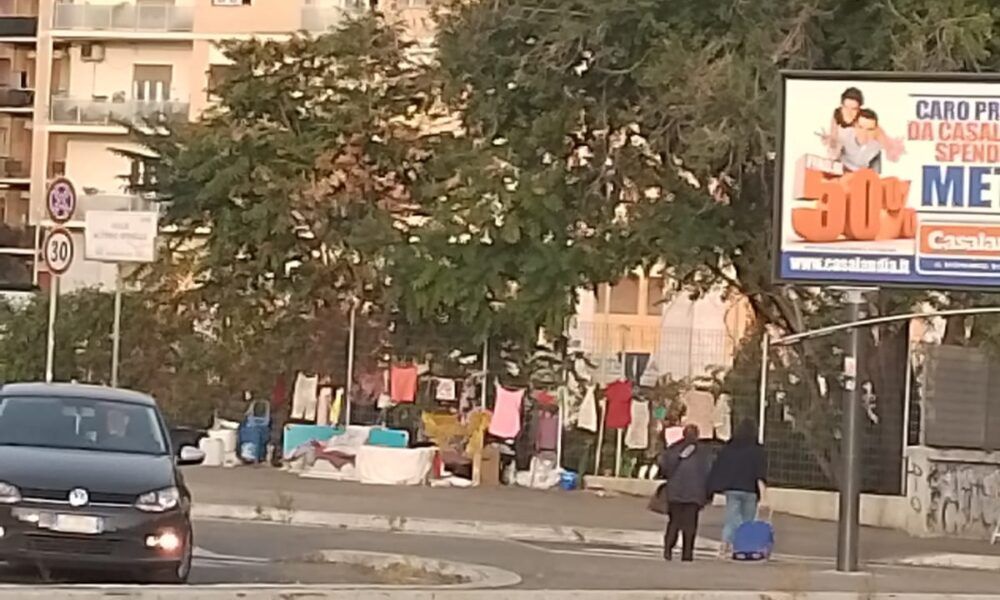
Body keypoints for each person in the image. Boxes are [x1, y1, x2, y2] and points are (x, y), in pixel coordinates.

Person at [708, 419, 768, 557]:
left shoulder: (730, 448)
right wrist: (764, 496)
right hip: (751, 490)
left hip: (732, 489)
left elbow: (719, 467)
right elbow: (760, 474)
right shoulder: (757, 450)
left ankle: (724, 546)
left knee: (731, 519)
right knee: (749, 521)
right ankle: (743, 547)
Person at [658, 423, 712, 562]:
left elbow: (664, 468)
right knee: (690, 525)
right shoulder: (703, 453)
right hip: (694, 494)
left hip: (675, 492)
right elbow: (708, 472)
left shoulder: (673, 449)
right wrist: (708, 494)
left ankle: (668, 548)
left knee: (674, 522)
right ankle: (687, 553)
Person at [839, 108, 883, 173]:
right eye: (860, 127)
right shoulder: (844, 135)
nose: (864, 133)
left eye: (870, 129)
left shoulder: (877, 147)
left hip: (860, 175)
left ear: (875, 130)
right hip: (841, 170)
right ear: (855, 126)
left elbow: (876, 174)